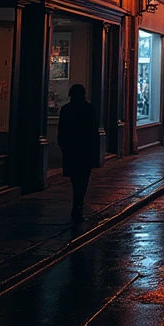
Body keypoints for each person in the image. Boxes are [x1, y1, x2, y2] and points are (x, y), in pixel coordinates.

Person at [57, 84, 99, 225]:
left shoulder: (65, 110)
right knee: (84, 176)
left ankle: (77, 202)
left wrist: (63, 146)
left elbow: (61, 131)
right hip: (85, 149)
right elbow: (94, 132)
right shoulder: (90, 109)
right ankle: (79, 203)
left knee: (75, 178)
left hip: (71, 149)